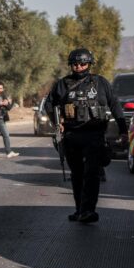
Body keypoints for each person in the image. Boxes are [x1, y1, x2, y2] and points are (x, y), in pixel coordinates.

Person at [43, 48, 125, 224]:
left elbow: (115, 104)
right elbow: (49, 105)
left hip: (94, 135)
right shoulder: (62, 84)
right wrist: (58, 122)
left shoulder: (100, 82)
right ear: (71, 65)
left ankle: (88, 210)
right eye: (75, 64)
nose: (79, 67)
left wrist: (123, 130)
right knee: (77, 174)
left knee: (92, 173)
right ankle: (80, 209)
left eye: (82, 63)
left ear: (89, 64)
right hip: (72, 136)